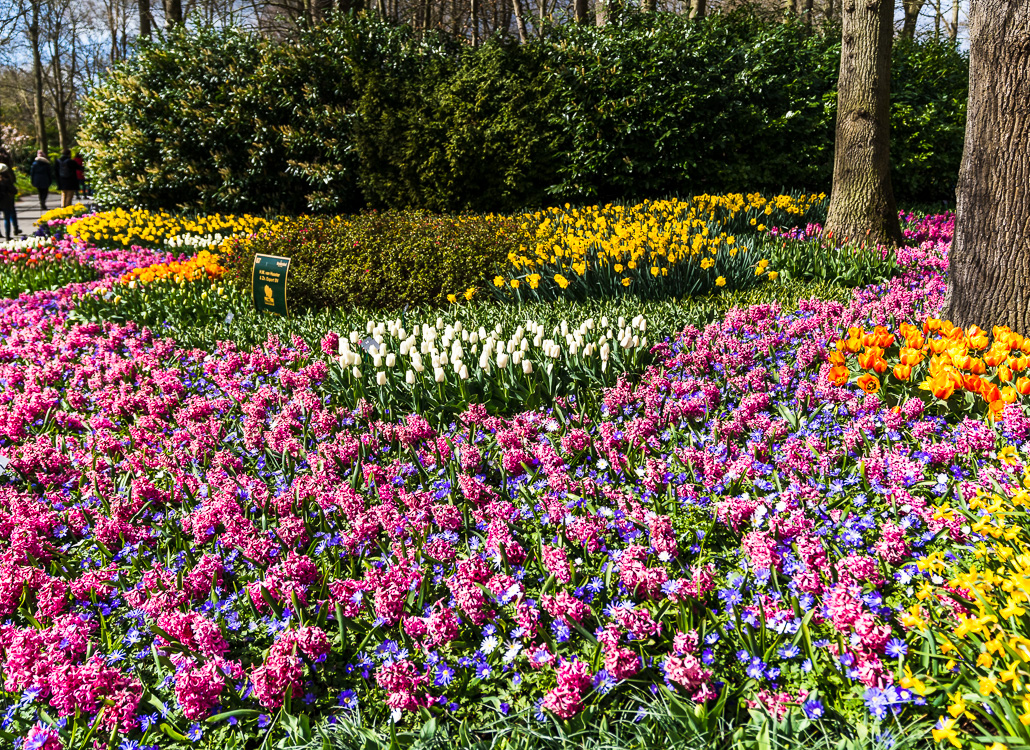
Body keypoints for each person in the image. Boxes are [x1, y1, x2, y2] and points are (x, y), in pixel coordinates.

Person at [0, 148, 22, 235]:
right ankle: (14, 229)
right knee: (10, 213)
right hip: (7, 198)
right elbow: (12, 187)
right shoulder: (7, 174)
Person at [0, 164, 18, 241]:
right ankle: (7, 235)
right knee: (6, 218)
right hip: (6, 201)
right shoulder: (6, 180)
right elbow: (14, 191)